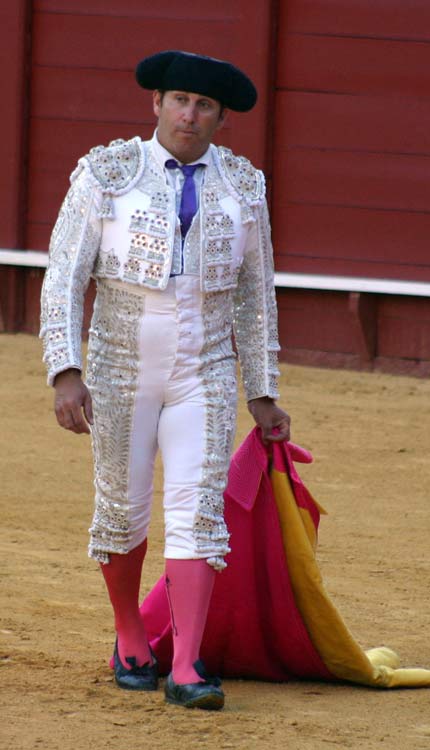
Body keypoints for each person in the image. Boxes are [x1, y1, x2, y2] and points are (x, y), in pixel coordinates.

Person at [40, 50, 290, 710]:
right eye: (180, 99)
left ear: (221, 117)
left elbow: (255, 298)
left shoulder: (243, 186)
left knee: (198, 511)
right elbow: (65, 275)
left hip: (203, 370)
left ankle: (185, 663)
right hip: (120, 366)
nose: (190, 113)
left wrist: (261, 391)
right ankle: (131, 637)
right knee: (120, 510)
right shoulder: (107, 173)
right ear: (156, 103)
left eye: (204, 105)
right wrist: (66, 371)